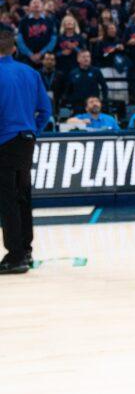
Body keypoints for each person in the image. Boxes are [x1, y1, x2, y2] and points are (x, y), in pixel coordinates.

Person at [0, 28, 51, 274]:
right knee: (23, 196)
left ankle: (15, 256)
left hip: (4, 141)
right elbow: (46, 110)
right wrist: (32, 129)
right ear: (14, 48)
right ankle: (26, 249)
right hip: (26, 139)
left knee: (7, 199)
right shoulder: (31, 72)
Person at [16, 0, 57, 68]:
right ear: (29, 7)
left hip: (45, 57)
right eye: (34, 3)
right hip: (27, 57)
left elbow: (53, 39)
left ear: (43, 6)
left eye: (38, 2)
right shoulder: (23, 21)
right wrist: (30, 54)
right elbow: (19, 39)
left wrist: (41, 54)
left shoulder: (50, 21)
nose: (36, 4)